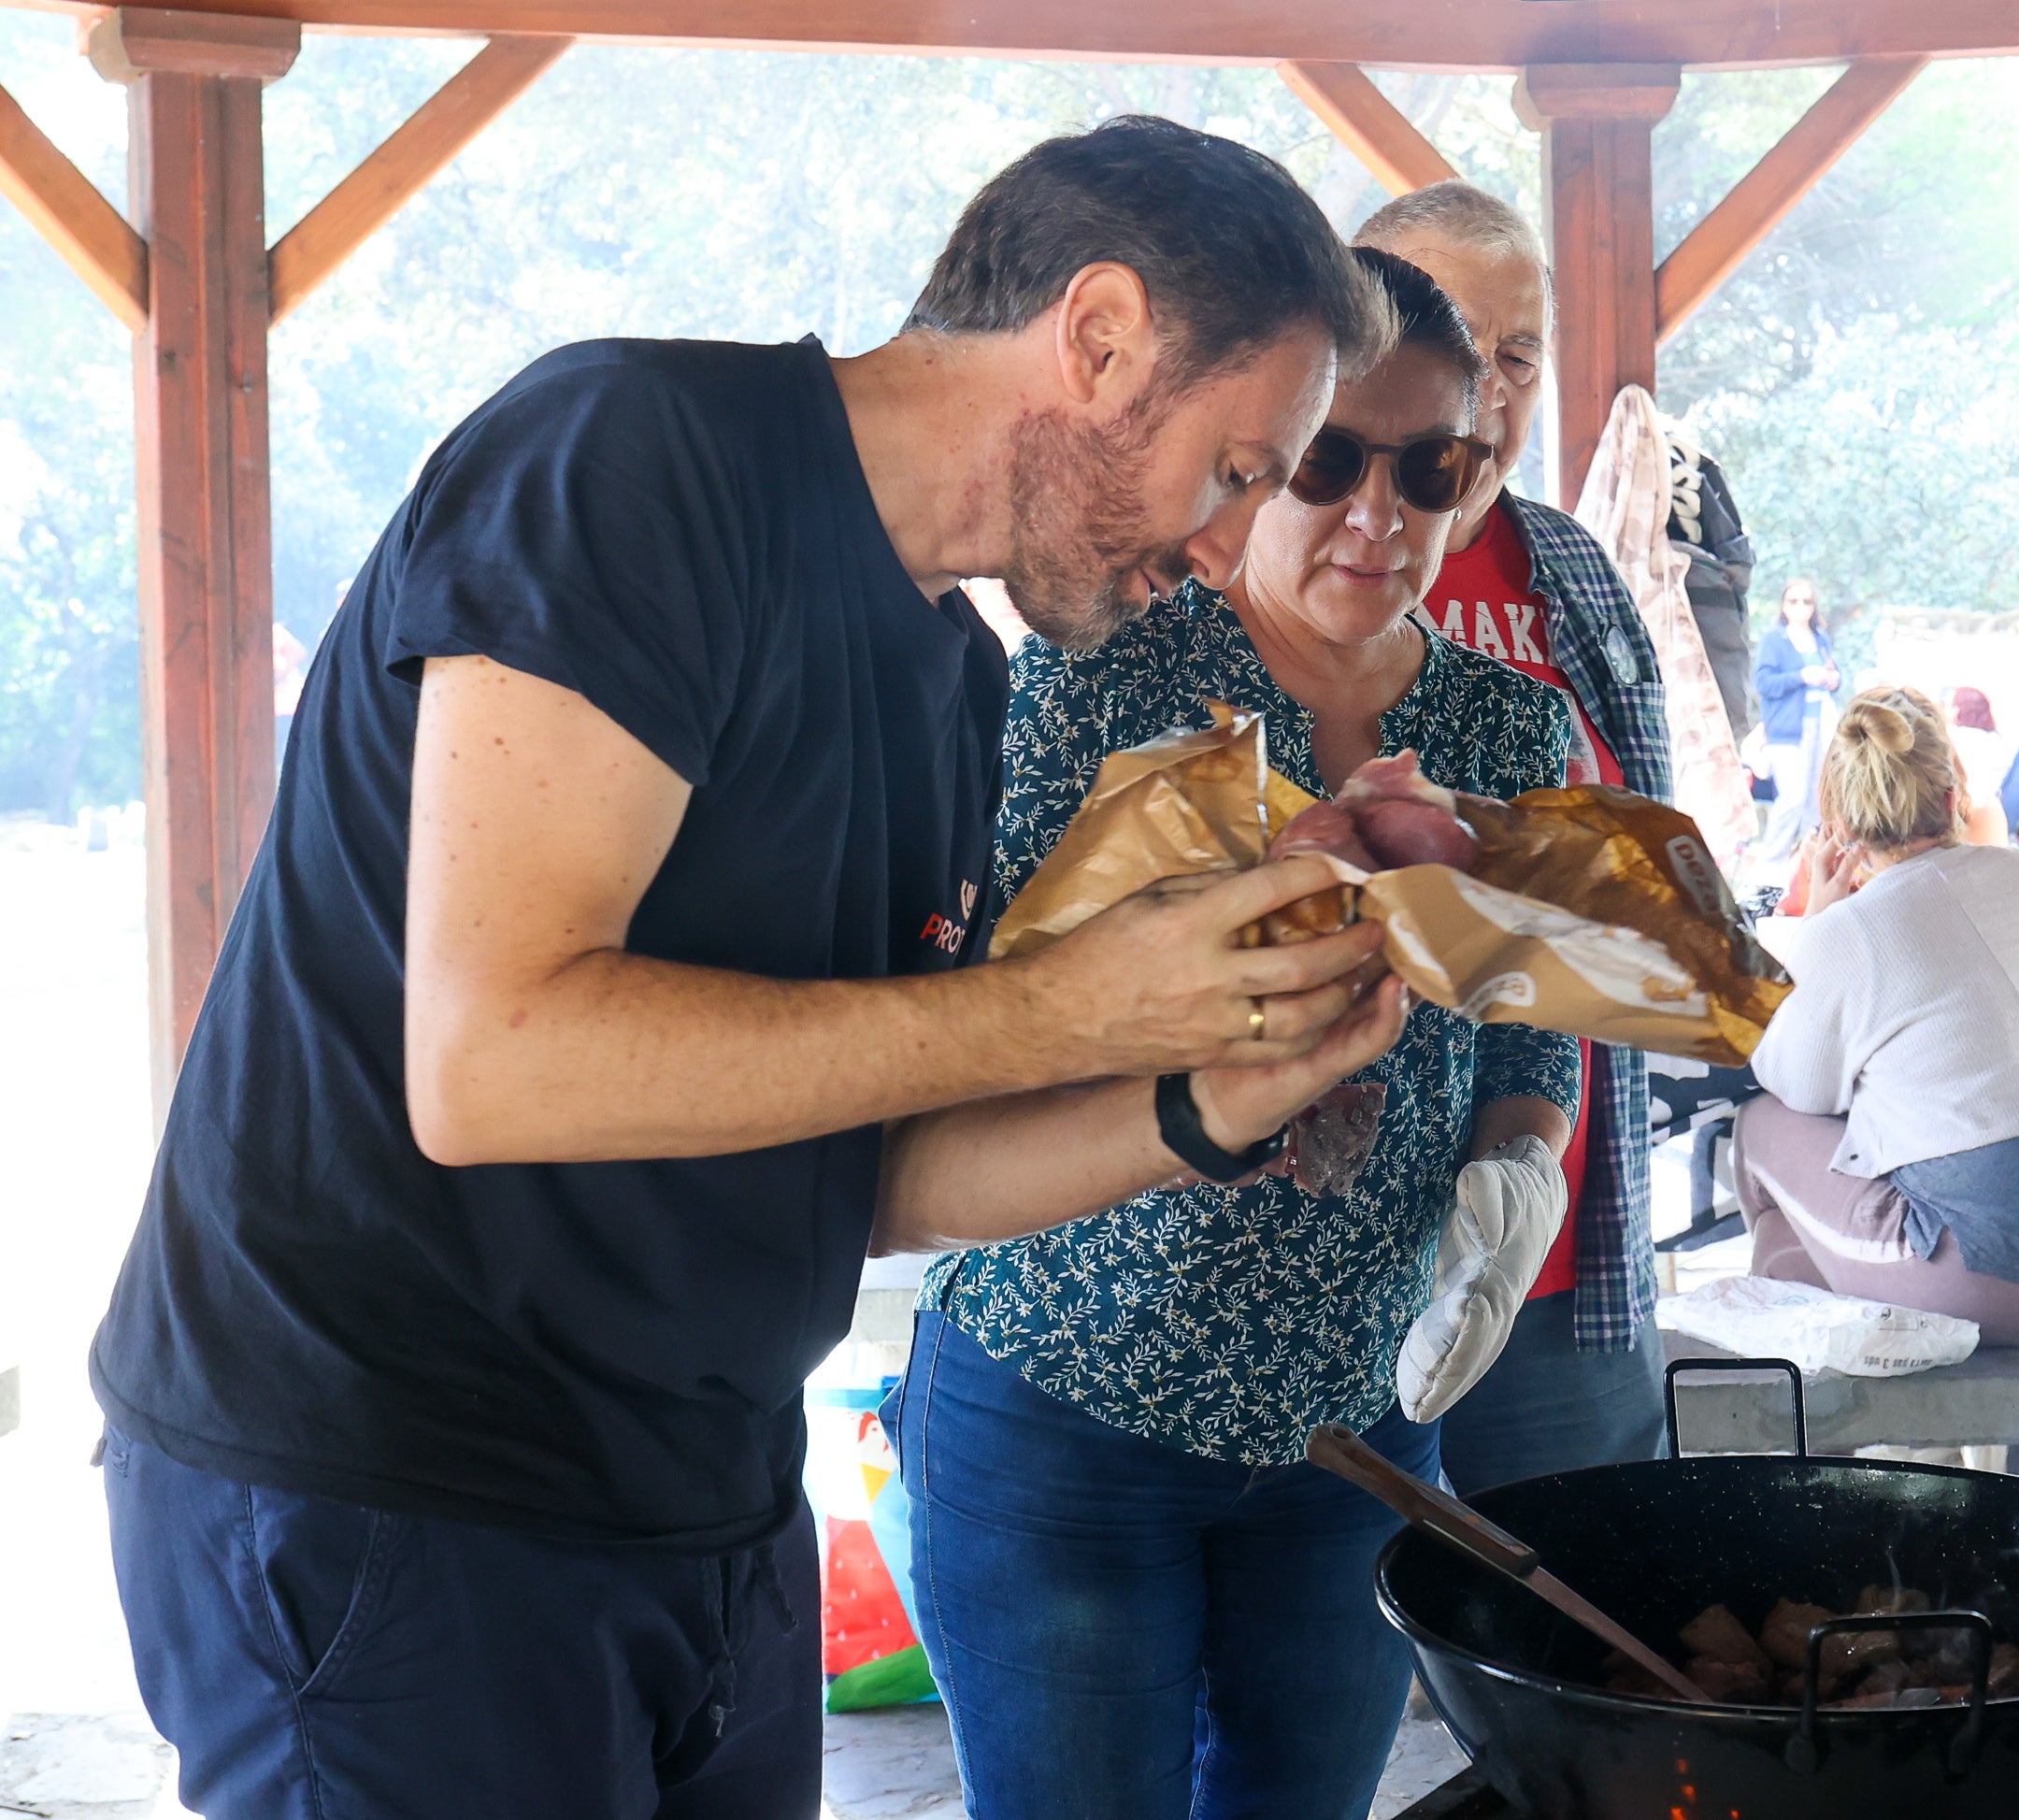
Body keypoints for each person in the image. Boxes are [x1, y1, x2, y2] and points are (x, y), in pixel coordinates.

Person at [89, 118, 1408, 1820]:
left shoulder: (951, 677)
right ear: (1097, 338)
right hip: (395, 1483)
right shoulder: (633, 460)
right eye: (1235, 468)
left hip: (701, 1502)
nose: (1229, 547)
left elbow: (852, 1171)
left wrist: (1199, 1101)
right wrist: (1070, 1004)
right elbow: (491, 1060)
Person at [898, 250, 1580, 1820]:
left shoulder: (1509, 726)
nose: (1378, 513)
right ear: (1261, 457)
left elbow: (1525, 1019)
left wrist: (1514, 1176)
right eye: (1335, 458)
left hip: (1356, 1420)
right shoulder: (1098, 670)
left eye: (1433, 468)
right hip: (1070, 1389)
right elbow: (977, 1004)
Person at [1355, 181, 1679, 1496]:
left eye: (1519, 355)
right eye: (1445, 338)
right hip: (1333, 1261)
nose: (1486, 392)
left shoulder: (1575, 575)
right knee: (1333, 1658)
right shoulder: (1249, 561)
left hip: (1559, 1251)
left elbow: (1641, 876)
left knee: (1576, 1643)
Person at [1735, 685, 2019, 1345]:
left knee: (1762, 1127)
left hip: (1995, 1284)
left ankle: (1817, 1425)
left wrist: (1818, 916)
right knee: (1810, 1229)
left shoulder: (1847, 932)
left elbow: (1793, 1082)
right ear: (1951, 795)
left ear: (1841, 831)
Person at [1752, 577, 1840, 861]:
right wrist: (1801, 677)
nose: (1801, 606)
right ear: (1783, 605)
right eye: (1794, 600)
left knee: (1818, 798)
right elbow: (1764, 684)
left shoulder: (1821, 638)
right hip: (1788, 730)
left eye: (1807, 601)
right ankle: (1770, 865)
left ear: (1814, 606)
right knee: (1791, 797)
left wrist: (1833, 679)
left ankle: (1810, 864)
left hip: (1821, 725)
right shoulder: (1774, 640)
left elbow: (1833, 673)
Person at [1946, 684, 2012, 845]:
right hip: (1999, 816)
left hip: (1970, 817)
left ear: (1959, 710)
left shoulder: (1955, 736)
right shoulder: (1998, 740)